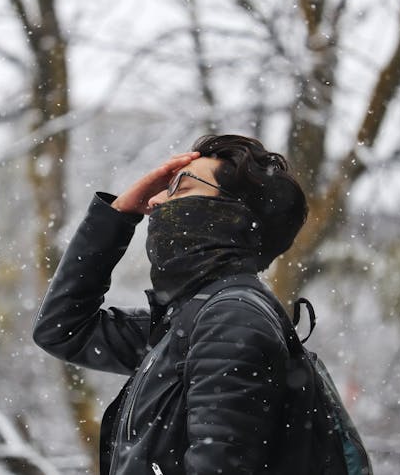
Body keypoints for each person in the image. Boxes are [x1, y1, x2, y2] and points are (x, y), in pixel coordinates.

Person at [33, 134, 309, 475]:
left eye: (181, 188)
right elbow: (63, 330)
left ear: (231, 215)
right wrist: (118, 215)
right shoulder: (187, 323)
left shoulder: (231, 320)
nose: (156, 202)